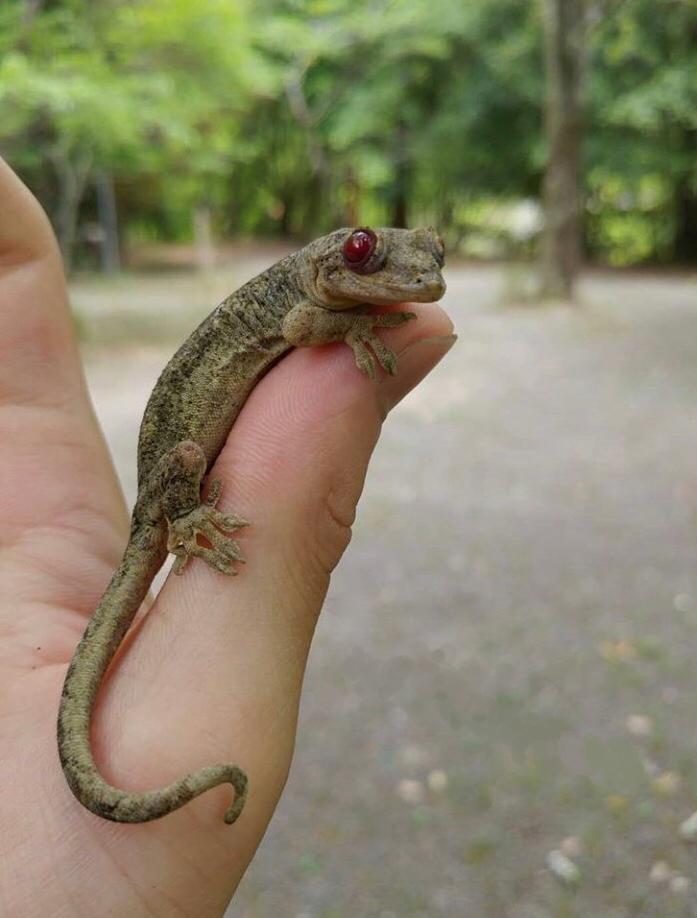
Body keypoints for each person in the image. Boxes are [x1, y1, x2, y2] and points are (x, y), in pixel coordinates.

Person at [0, 157, 455, 916]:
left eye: (426, 260)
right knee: (184, 460)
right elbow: (308, 325)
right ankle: (186, 519)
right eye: (363, 256)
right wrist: (184, 520)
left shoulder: (329, 287)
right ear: (329, 260)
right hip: (171, 485)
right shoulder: (305, 297)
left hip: (179, 474)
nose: (408, 277)